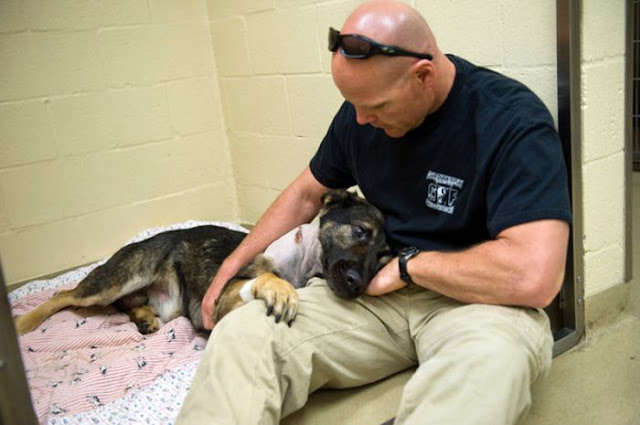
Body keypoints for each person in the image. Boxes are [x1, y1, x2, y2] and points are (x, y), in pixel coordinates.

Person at [177, 1, 572, 424]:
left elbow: (536, 276)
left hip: (478, 302)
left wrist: (409, 268)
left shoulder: (510, 122)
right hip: (375, 295)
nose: (361, 119)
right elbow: (305, 195)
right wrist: (232, 268)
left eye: (376, 107)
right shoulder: (360, 116)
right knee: (246, 333)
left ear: (423, 75)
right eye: (353, 104)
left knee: (491, 366)